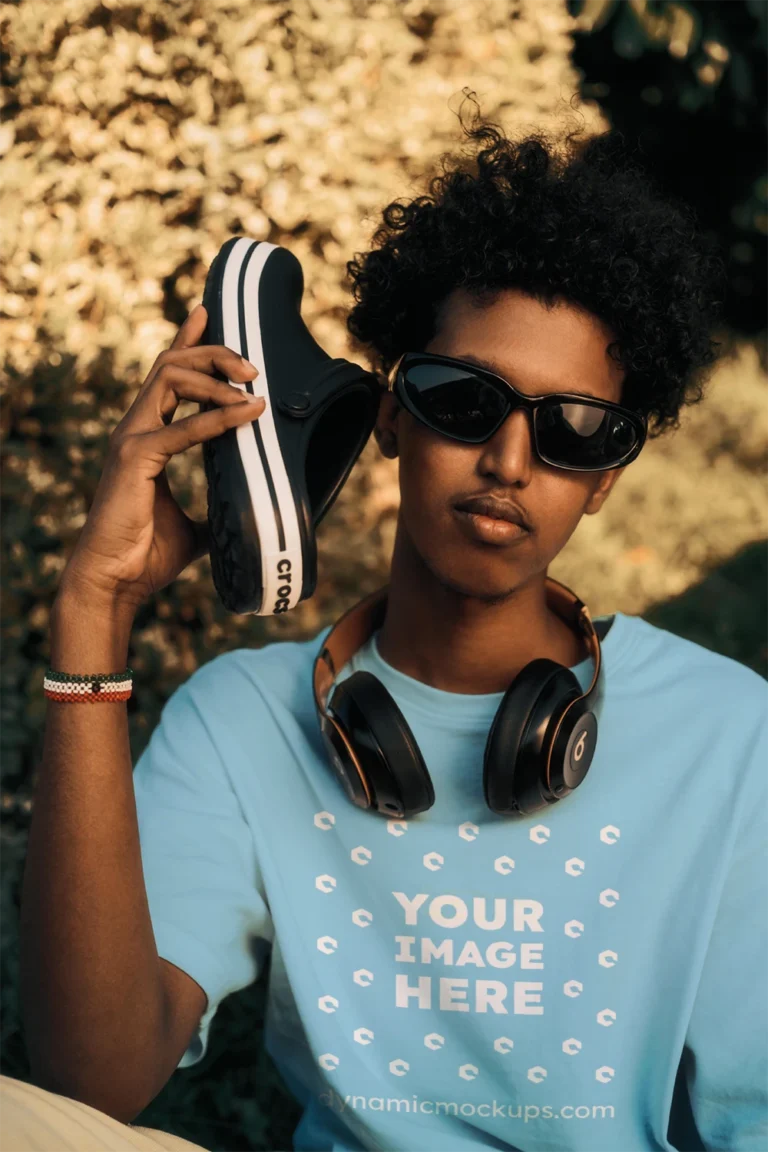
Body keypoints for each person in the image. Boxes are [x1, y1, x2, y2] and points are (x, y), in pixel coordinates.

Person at [10, 101, 768, 1152]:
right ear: (391, 416)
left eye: (574, 430)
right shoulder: (242, 722)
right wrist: (94, 611)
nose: (509, 461)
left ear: (604, 481)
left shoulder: (731, 735)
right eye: (464, 399)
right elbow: (88, 1084)